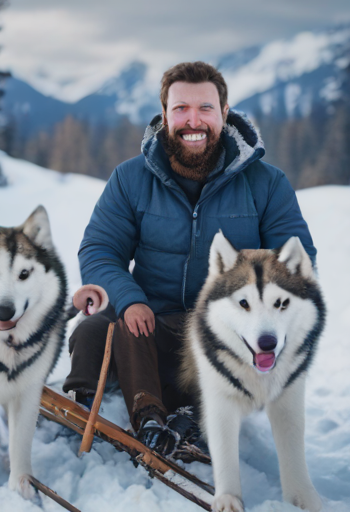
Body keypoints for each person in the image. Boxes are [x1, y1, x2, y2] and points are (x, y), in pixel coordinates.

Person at [63, 61, 316, 455]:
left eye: (205, 109)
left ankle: (192, 419)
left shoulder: (267, 184)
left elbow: (297, 262)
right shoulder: (130, 179)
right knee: (97, 330)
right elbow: (100, 249)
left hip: (226, 333)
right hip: (150, 325)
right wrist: (129, 299)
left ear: (224, 114)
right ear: (164, 115)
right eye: (180, 108)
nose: (192, 120)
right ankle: (145, 418)